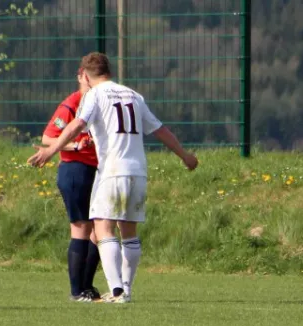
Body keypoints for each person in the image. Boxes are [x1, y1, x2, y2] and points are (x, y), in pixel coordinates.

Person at [28, 52, 198, 303]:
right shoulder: (133, 95)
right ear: (110, 72)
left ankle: (116, 290)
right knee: (129, 231)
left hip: (111, 171)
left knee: (102, 228)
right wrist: (184, 155)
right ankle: (126, 290)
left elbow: (76, 125)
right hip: (138, 171)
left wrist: (51, 151)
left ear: (85, 76)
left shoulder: (94, 95)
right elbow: (160, 129)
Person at [40, 68, 101, 302]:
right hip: (75, 170)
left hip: (99, 170)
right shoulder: (72, 103)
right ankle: (77, 291)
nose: (89, 82)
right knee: (81, 228)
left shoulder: (101, 100)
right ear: (80, 77)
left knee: (100, 228)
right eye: (85, 77)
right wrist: (75, 146)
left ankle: (87, 286)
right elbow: (48, 138)